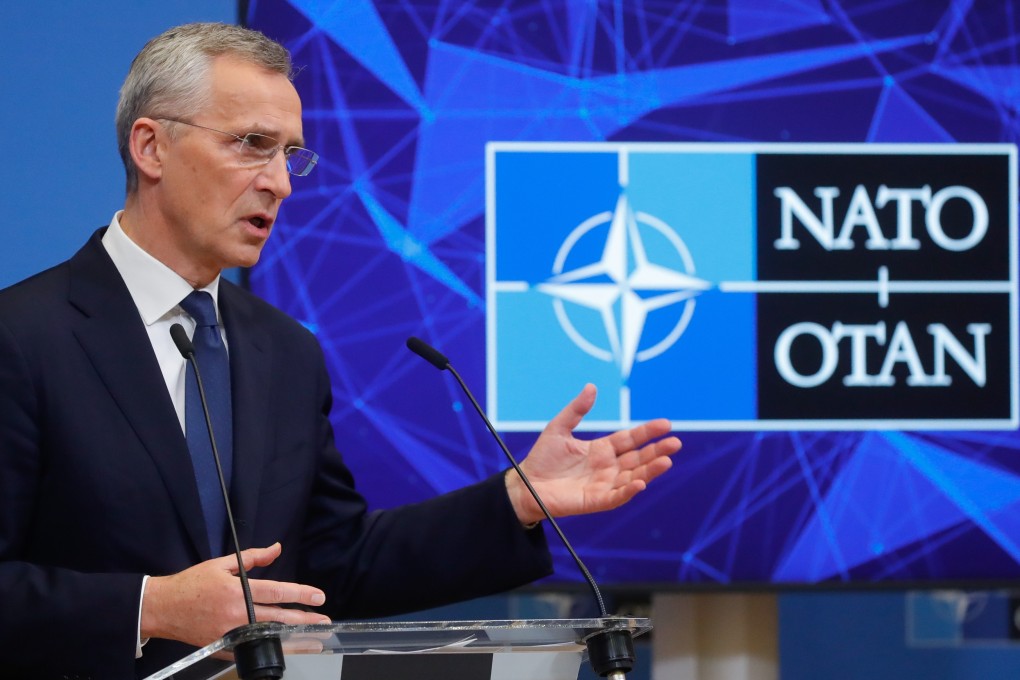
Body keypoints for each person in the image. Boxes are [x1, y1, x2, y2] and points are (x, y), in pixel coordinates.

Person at [0, 22, 680, 680]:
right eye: (251, 145)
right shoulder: (23, 337)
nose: (280, 182)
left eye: (289, 153)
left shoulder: (283, 351)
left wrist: (518, 500)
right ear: (150, 148)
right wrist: (152, 607)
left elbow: (334, 565)